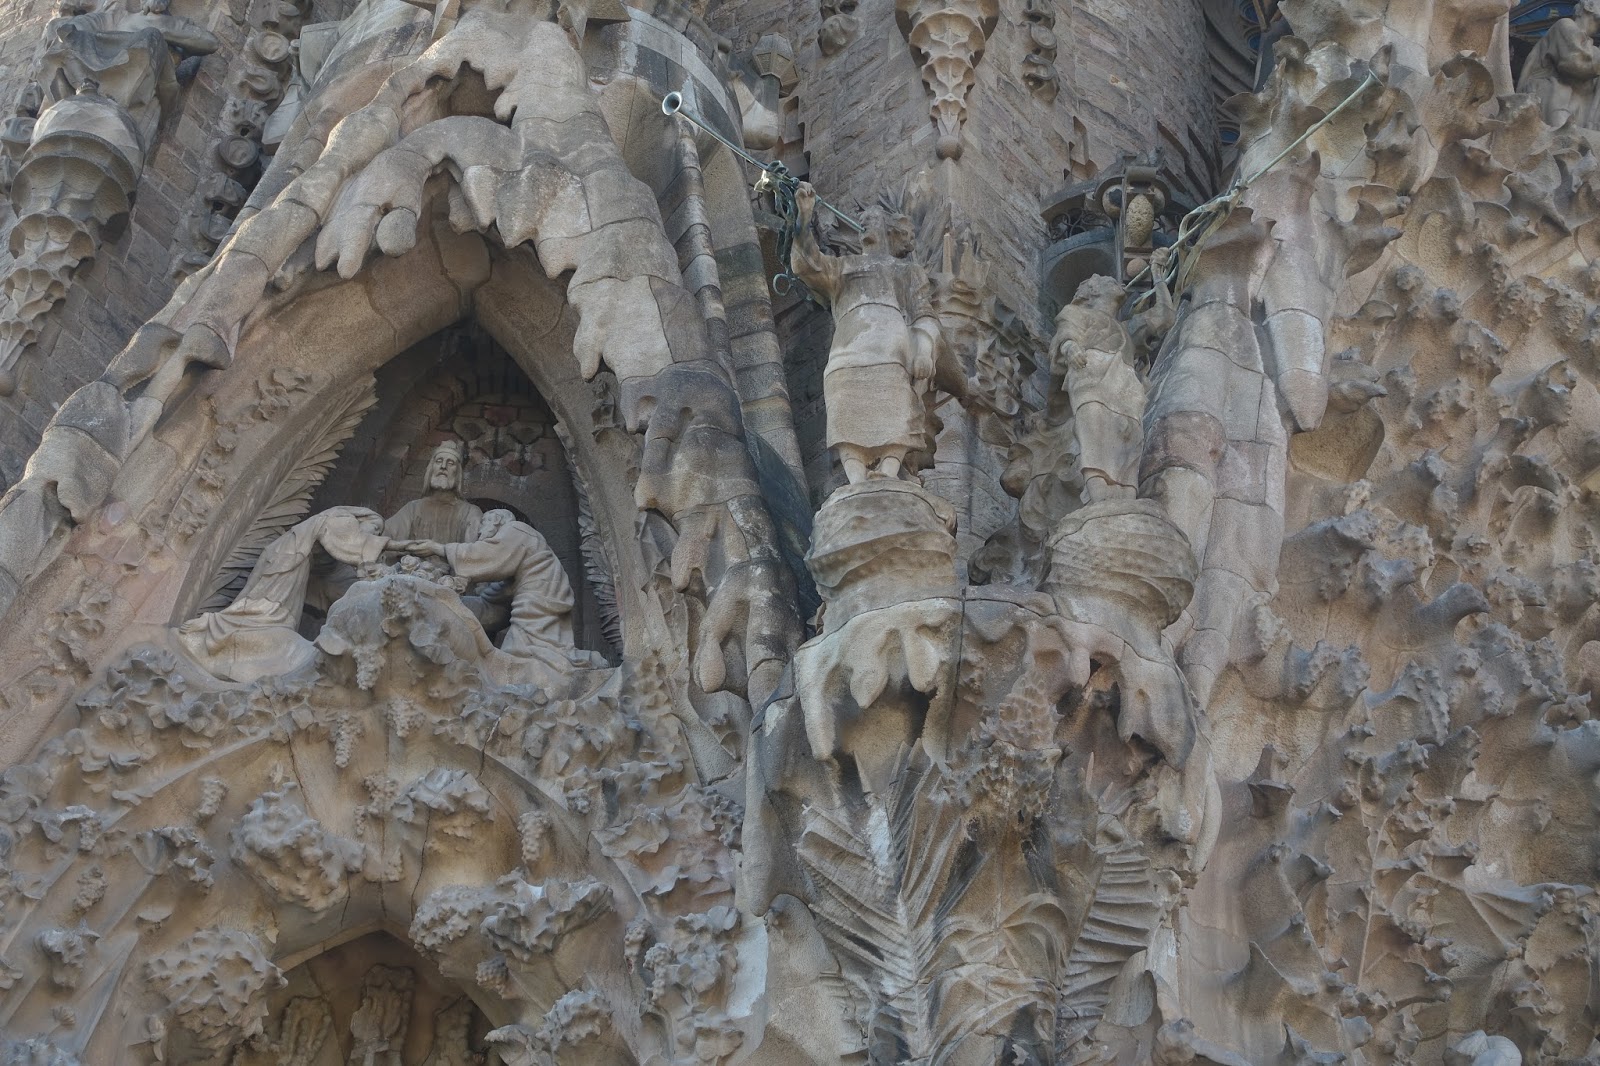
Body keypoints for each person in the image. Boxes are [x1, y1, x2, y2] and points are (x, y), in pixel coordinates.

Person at [790, 181, 942, 483]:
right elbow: (807, 265)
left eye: (870, 219)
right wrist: (803, 219)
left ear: (888, 229)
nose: (862, 225)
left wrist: (924, 349)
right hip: (849, 349)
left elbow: (924, 312)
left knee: (897, 406)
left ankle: (888, 472)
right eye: (860, 223)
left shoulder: (905, 271)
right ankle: (857, 481)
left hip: (890, 348)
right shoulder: (843, 267)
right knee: (846, 407)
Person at [178, 506, 390, 681]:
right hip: (288, 560)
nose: (375, 534)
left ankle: (215, 626)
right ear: (361, 518)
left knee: (258, 609)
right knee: (260, 611)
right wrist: (403, 546)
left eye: (379, 533)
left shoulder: (334, 557)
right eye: (375, 527)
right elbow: (353, 547)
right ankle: (213, 627)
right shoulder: (340, 520)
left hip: (289, 561)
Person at [398, 510, 580, 668]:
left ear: (496, 520)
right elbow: (492, 603)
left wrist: (438, 548)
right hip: (536, 597)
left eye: (483, 525)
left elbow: (487, 555)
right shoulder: (515, 565)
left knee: (526, 656)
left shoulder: (517, 529)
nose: (479, 532)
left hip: (537, 601)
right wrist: (451, 602)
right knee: (523, 656)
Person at [1051, 274, 1145, 503]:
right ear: (1091, 291)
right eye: (1107, 280)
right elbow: (1066, 333)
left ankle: (1126, 498)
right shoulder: (1075, 312)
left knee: (1130, 437)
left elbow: (1163, 317)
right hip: (1090, 373)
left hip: (1125, 381)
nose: (1116, 281)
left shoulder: (1126, 328)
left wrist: (1160, 277)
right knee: (1094, 431)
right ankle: (1098, 496)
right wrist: (1070, 347)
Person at [1517, 0, 1600, 129]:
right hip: (1543, 93)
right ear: (1589, 6)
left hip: (1574, 101)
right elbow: (1572, 64)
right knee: (1561, 89)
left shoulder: (1593, 50)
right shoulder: (1564, 25)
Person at [382, 440, 483, 545]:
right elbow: (386, 533)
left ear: (458, 474)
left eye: (450, 463)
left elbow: (475, 550)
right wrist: (372, 523)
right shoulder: (413, 508)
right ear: (431, 469)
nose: (443, 466)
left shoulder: (470, 512)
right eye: (439, 461)